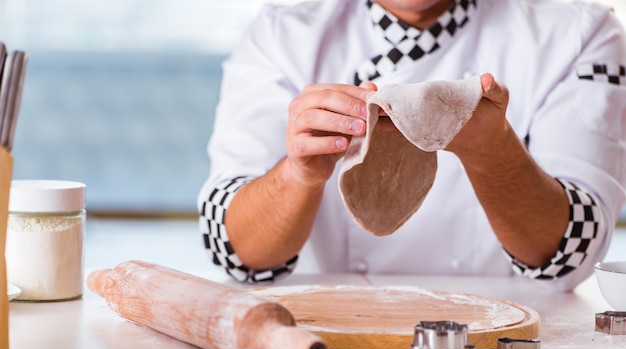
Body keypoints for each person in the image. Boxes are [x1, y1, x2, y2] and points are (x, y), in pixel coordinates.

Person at [197, 0, 626, 292]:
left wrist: (493, 151)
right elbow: (234, 251)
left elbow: (575, 254)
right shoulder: (282, 34)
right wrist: (299, 174)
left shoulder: (577, 32)